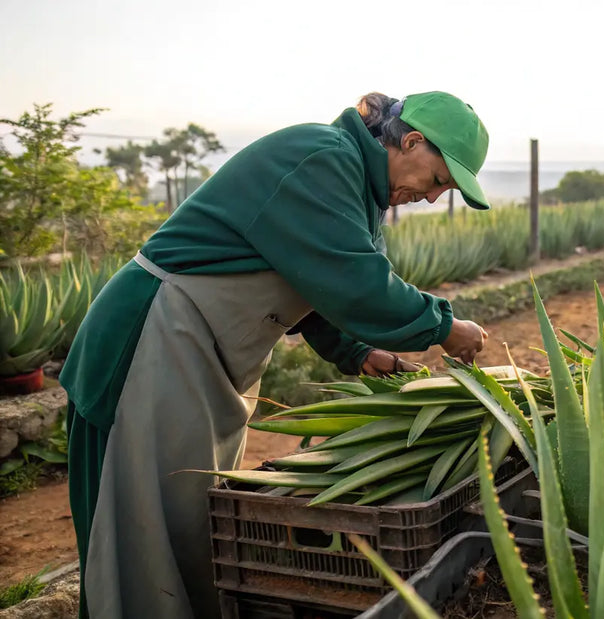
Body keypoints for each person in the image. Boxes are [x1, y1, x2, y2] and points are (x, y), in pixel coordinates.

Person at [61, 91, 492, 618]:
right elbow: (358, 286)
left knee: (194, 519)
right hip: (154, 340)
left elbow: (311, 282)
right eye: (438, 181)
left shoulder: (357, 190)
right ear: (412, 142)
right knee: (140, 530)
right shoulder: (322, 157)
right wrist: (446, 327)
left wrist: (355, 352)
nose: (431, 198)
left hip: (202, 358)